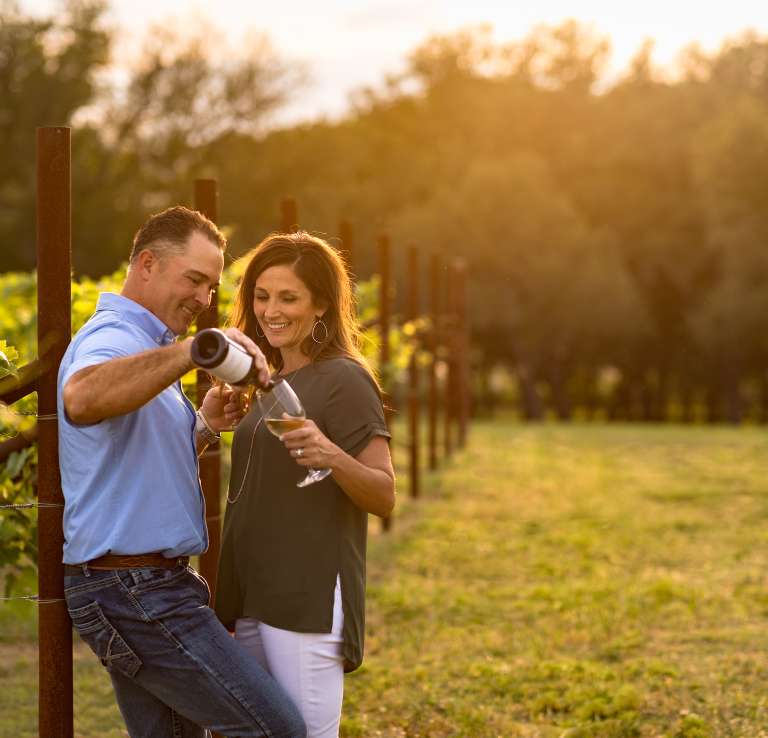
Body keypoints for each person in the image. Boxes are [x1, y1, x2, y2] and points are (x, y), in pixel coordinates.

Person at [58, 206, 306, 738]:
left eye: (212, 287)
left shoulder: (150, 346)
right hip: (134, 589)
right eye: (194, 279)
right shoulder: (115, 337)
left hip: (143, 585)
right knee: (276, 729)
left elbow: (128, 461)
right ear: (146, 264)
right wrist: (193, 351)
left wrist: (201, 427)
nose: (204, 299)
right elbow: (81, 398)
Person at [214, 231, 396, 738]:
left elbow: (383, 493)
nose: (272, 310)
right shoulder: (265, 379)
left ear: (320, 305)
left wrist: (332, 455)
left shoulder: (344, 379)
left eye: (289, 297)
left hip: (304, 597)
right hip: (251, 593)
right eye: (262, 296)